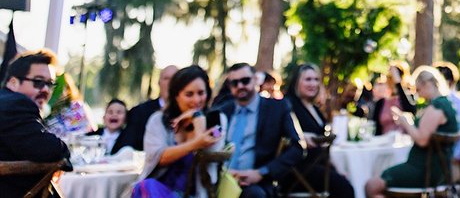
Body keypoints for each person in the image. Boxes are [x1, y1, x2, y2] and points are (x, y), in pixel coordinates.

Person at [132, 65, 227, 198]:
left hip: (196, 194)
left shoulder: (218, 120)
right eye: (189, 94)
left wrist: (197, 117)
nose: (196, 100)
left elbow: (210, 153)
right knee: (147, 186)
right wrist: (194, 144)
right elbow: (158, 157)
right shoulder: (158, 120)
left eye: (201, 93)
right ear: (176, 96)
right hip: (158, 190)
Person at [364, 66, 459, 197]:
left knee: (371, 185)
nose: (418, 94)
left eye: (418, 89)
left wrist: (405, 122)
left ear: (427, 84)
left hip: (425, 170)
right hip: (433, 168)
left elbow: (422, 139)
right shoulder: (445, 104)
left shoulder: (438, 106)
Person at [213, 62, 305, 196]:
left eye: (245, 81)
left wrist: (262, 172)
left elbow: (298, 147)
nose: (240, 86)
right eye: (235, 83)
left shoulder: (277, 108)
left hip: (256, 182)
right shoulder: (222, 111)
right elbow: (213, 137)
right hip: (220, 179)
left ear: (255, 79)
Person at [0, 49, 70, 198]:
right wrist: (64, 148)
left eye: (49, 84)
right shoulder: (16, 105)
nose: (45, 90)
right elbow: (51, 150)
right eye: (38, 82)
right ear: (13, 82)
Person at [282, 63, 353, 198]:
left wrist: (337, 169)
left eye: (316, 80)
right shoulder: (288, 105)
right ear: (297, 82)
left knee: (347, 179)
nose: (313, 84)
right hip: (297, 168)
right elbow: (281, 135)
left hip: (319, 165)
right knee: (344, 189)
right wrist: (301, 137)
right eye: (308, 79)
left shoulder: (314, 109)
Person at [114, 64, 178, 153]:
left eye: (175, 79)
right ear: (159, 82)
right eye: (166, 79)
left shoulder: (190, 113)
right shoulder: (139, 112)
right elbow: (124, 148)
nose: (171, 83)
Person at [371, 62, 417, 135]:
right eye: (388, 77)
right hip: (384, 141)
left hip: (403, 141)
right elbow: (375, 126)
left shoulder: (408, 97)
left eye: (392, 77)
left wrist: (398, 84)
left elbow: (411, 111)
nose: (389, 80)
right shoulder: (381, 102)